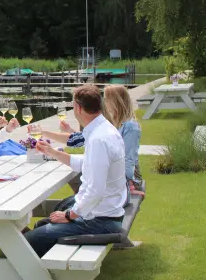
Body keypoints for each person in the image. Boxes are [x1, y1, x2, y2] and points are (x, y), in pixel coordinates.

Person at [25, 85, 128, 258]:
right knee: (45, 222)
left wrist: (70, 215)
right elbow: (88, 164)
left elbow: (96, 191)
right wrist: (54, 153)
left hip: (101, 219)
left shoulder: (99, 139)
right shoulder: (102, 129)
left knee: (30, 241)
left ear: (78, 108)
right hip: (104, 211)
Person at [41, 85, 144, 195]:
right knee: (78, 172)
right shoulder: (109, 122)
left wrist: (127, 186)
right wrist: (45, 133)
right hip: (113, 175)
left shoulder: (130, 126)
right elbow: (78, 139)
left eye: (106, 98)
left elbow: (128, 160)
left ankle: (80, 204)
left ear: (116, 101)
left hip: (128, 180)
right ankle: (79, 202)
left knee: (80, 174)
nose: (103, 102)